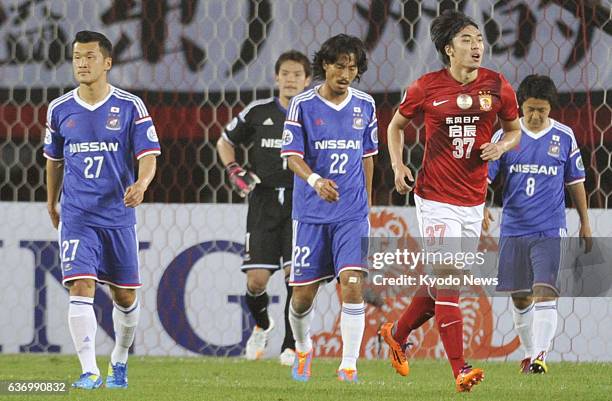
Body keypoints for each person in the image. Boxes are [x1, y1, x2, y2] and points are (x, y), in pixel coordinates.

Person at [382, 10, 521, 392]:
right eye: (467, 40)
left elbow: (515, 130)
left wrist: (501, 146)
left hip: (473, 201)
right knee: (449, 282)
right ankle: (460, 369)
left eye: (478, 39)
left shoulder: (498, 86)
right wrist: (398, 166)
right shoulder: (426, 87)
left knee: (444, 283)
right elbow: (395, 126)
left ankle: (396, 332)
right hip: (434, 197)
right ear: (448, 49)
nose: (477, 47)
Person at [44, 31, 160, 389]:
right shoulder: (59, 109)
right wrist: (51, 201)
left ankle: (120, 359)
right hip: (78, 214)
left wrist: (141, 184)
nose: (82, 62)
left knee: (124, 296)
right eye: (77, 56)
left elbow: (149, 155)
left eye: (90, 56)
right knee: (81, 285)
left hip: (117, 215)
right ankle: (89, 371)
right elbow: (54, 160)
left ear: (107, 62)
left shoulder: (129, 106)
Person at [280, 34, 377, 383]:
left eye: (352, 67)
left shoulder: (365, 105)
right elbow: (291, 156)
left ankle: (348, 365)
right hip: (310, 215)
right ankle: (303, 348)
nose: (346, 73)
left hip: (351, 215)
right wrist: (316, 182)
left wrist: (365, 205)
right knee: (302, 297)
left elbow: (368, 157)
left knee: (352, 284)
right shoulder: (302, 105)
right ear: (324, 64)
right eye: (339, 65)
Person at [485, 74, 591, 374]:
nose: (534, 115)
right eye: (530, 108)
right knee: (520, 297)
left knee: (546, 290)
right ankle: (530, 355)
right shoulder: (505, 136)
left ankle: (540, 357)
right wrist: (481, 205)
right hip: (514, 228)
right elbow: (486, 176)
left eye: (541, 110)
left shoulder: (564, 136)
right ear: (520, 105)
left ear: (551, 109)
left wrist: (585, 222)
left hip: (550, 228)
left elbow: (576, 182)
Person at [216, 50, 312, 365]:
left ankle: (288, 345)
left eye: (297, 74)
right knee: (256, 281)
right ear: (276, 77)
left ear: (307, 80)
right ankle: (262, 325)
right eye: (285, 73)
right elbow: (224, 141)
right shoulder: (258, 112)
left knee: (294, 278)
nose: (290, 79)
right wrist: (233, 169)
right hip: (263, 201)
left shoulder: (314, 113)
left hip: (301, 203)